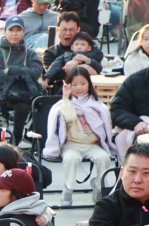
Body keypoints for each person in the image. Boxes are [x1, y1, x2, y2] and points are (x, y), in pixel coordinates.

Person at [43, 65, 116, 209]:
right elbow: (68, 117)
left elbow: (105, 126)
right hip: (72, 144)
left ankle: (99, 187)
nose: (79, 87)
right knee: (71, 159)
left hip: (93, 144)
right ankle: (68, 190)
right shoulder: (63, 104)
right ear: (68, 85)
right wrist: (65, 97)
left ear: (89, 84)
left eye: (83, 83)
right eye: (74, 84)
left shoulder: (97, 105)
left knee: (103, 158)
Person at [0, 18, 44, 145]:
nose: (14, 34)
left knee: (43, 101)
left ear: (23, 32)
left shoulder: (30, 53)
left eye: (18, 30)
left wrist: (11, 70)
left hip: (26, 91)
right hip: (3, 91)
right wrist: (24, 72)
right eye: (11, 30)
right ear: (5, 31)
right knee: (22, 106)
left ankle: (31, 135)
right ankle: (16, 138)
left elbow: (36, 72)